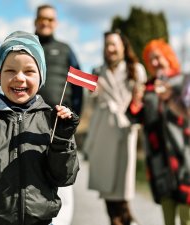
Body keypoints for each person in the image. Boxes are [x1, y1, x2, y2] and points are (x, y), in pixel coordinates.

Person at [0, 31, 80, 225]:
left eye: (29, 71)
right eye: (10, 70)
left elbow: (63, 177)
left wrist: (62, 139)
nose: (19, 78)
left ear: (41, 77)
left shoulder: (51, 120)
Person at [82, 30, 147, 225]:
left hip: (124, 130)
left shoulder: (135, 69)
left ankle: (124, 219)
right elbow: (92, 103)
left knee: (122, 185)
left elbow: (140, 100)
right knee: (106, 185)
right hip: (102, 130)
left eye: (113, 44)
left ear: (123, 46)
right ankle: (117, 220)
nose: (110, 49)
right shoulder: (97, 70)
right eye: (107, 45)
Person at [129, 39, 190, 225]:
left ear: (168, 57)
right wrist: (136, 101)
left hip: (184, 153)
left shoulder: (184, 81)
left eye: (158, 58)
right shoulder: (148, 87)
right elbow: (135, 119)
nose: (154, 63)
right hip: (159, 157)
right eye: (150, 59)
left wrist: (170, 97)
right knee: (167, 209)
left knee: (186, 209)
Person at [34, 5, 83, 224]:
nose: (46, 22)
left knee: (62, 176)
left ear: (56, 23)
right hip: (30, 122)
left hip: (59, 125)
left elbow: (80, 89)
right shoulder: (28, 46)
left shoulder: (65, 49)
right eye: (42, 18)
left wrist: (73, 119)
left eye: (50, 19)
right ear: (36, 21)